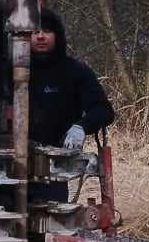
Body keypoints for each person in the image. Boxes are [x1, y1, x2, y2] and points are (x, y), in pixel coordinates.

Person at [27, 8, 115, 149]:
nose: (40, 36)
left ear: (58, 36)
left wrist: (81, 127)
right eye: (35, 31)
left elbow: (103, 110)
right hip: (14, 156)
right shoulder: (9, 72)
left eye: (47, 31)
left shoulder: (76, 71)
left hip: (62, 156)